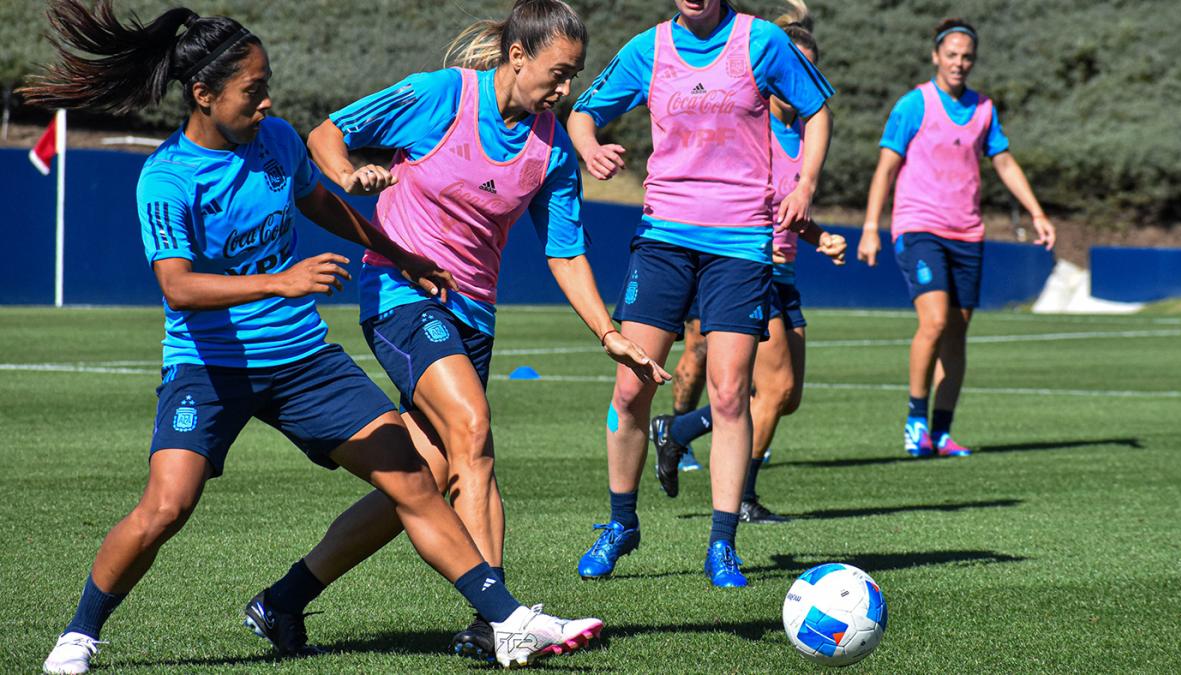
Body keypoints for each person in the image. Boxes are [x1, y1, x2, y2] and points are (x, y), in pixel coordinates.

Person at [23, 2, 601, 672]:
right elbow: (178, 287)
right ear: (204, 95)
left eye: (268, 86)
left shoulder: (277, 141)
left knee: (420, 475)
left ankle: (508, 619)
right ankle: (79, 633)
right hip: (210, 366)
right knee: (165, 505)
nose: (266, 102)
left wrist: (399, 253)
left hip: (302, 360)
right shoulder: (167, 177)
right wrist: (282, 282)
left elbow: (321, 202)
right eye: (252, 91)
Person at [251, 0, 668, 663]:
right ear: (517, 56)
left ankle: (282, 600)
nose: (564, 91)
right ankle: (495, 621)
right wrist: (350, 174)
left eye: (574, 76)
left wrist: (606, 331)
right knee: (473, 430)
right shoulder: (438, 95)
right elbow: (327, 134)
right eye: (557, 75)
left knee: (417, 480)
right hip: (400, 294)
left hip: (473, 317)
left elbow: (564, 250)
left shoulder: (552, 147)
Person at [568, 0, 834, 587]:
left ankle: (721, 543)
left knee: (731, 389)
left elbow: (816, 113)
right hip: (663, 238)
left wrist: (806, 184)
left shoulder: (761, 41)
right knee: (630, 383)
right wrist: (589, 147)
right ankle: (619, 525)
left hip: (740, 243)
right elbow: (582, 113)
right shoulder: (649, 49)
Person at [651, 1, 845, 524]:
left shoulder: (805, 136)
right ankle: (741, 500)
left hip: (784, 271)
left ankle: (680, 429)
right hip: (744, 262)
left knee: (786, 396)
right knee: (765, 388)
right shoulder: (751, 123)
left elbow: (787, 205)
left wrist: (820, 235)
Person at [855, 17, 1056, 458]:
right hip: (919, 226)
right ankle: (915, 420)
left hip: (967, 231)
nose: (959, 63)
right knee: (935, 321)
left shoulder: (984, 109)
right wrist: (871, 228)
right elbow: (886, 168)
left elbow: (1003, 163)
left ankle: (942, 433)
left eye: (967, 57)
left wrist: (1037, 213)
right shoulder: (914, 105)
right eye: (952, 55)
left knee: (957, 333)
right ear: (936, 57)